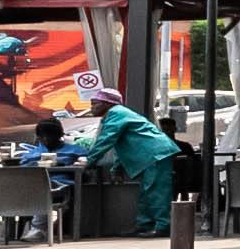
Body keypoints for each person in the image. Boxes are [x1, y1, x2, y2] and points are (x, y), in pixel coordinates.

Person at [70, 80, 178, 237]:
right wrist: (116, 168)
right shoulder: (116, 115)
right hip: (151, 155)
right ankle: (144, 225)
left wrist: (89, 160)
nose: (91, 107)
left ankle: (163, 226)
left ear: (107, 104)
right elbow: (119, 145)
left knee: (156, 191)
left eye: (95, 104)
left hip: (156, 153)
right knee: (146, 191)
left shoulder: (117, 113)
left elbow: (106, 139)